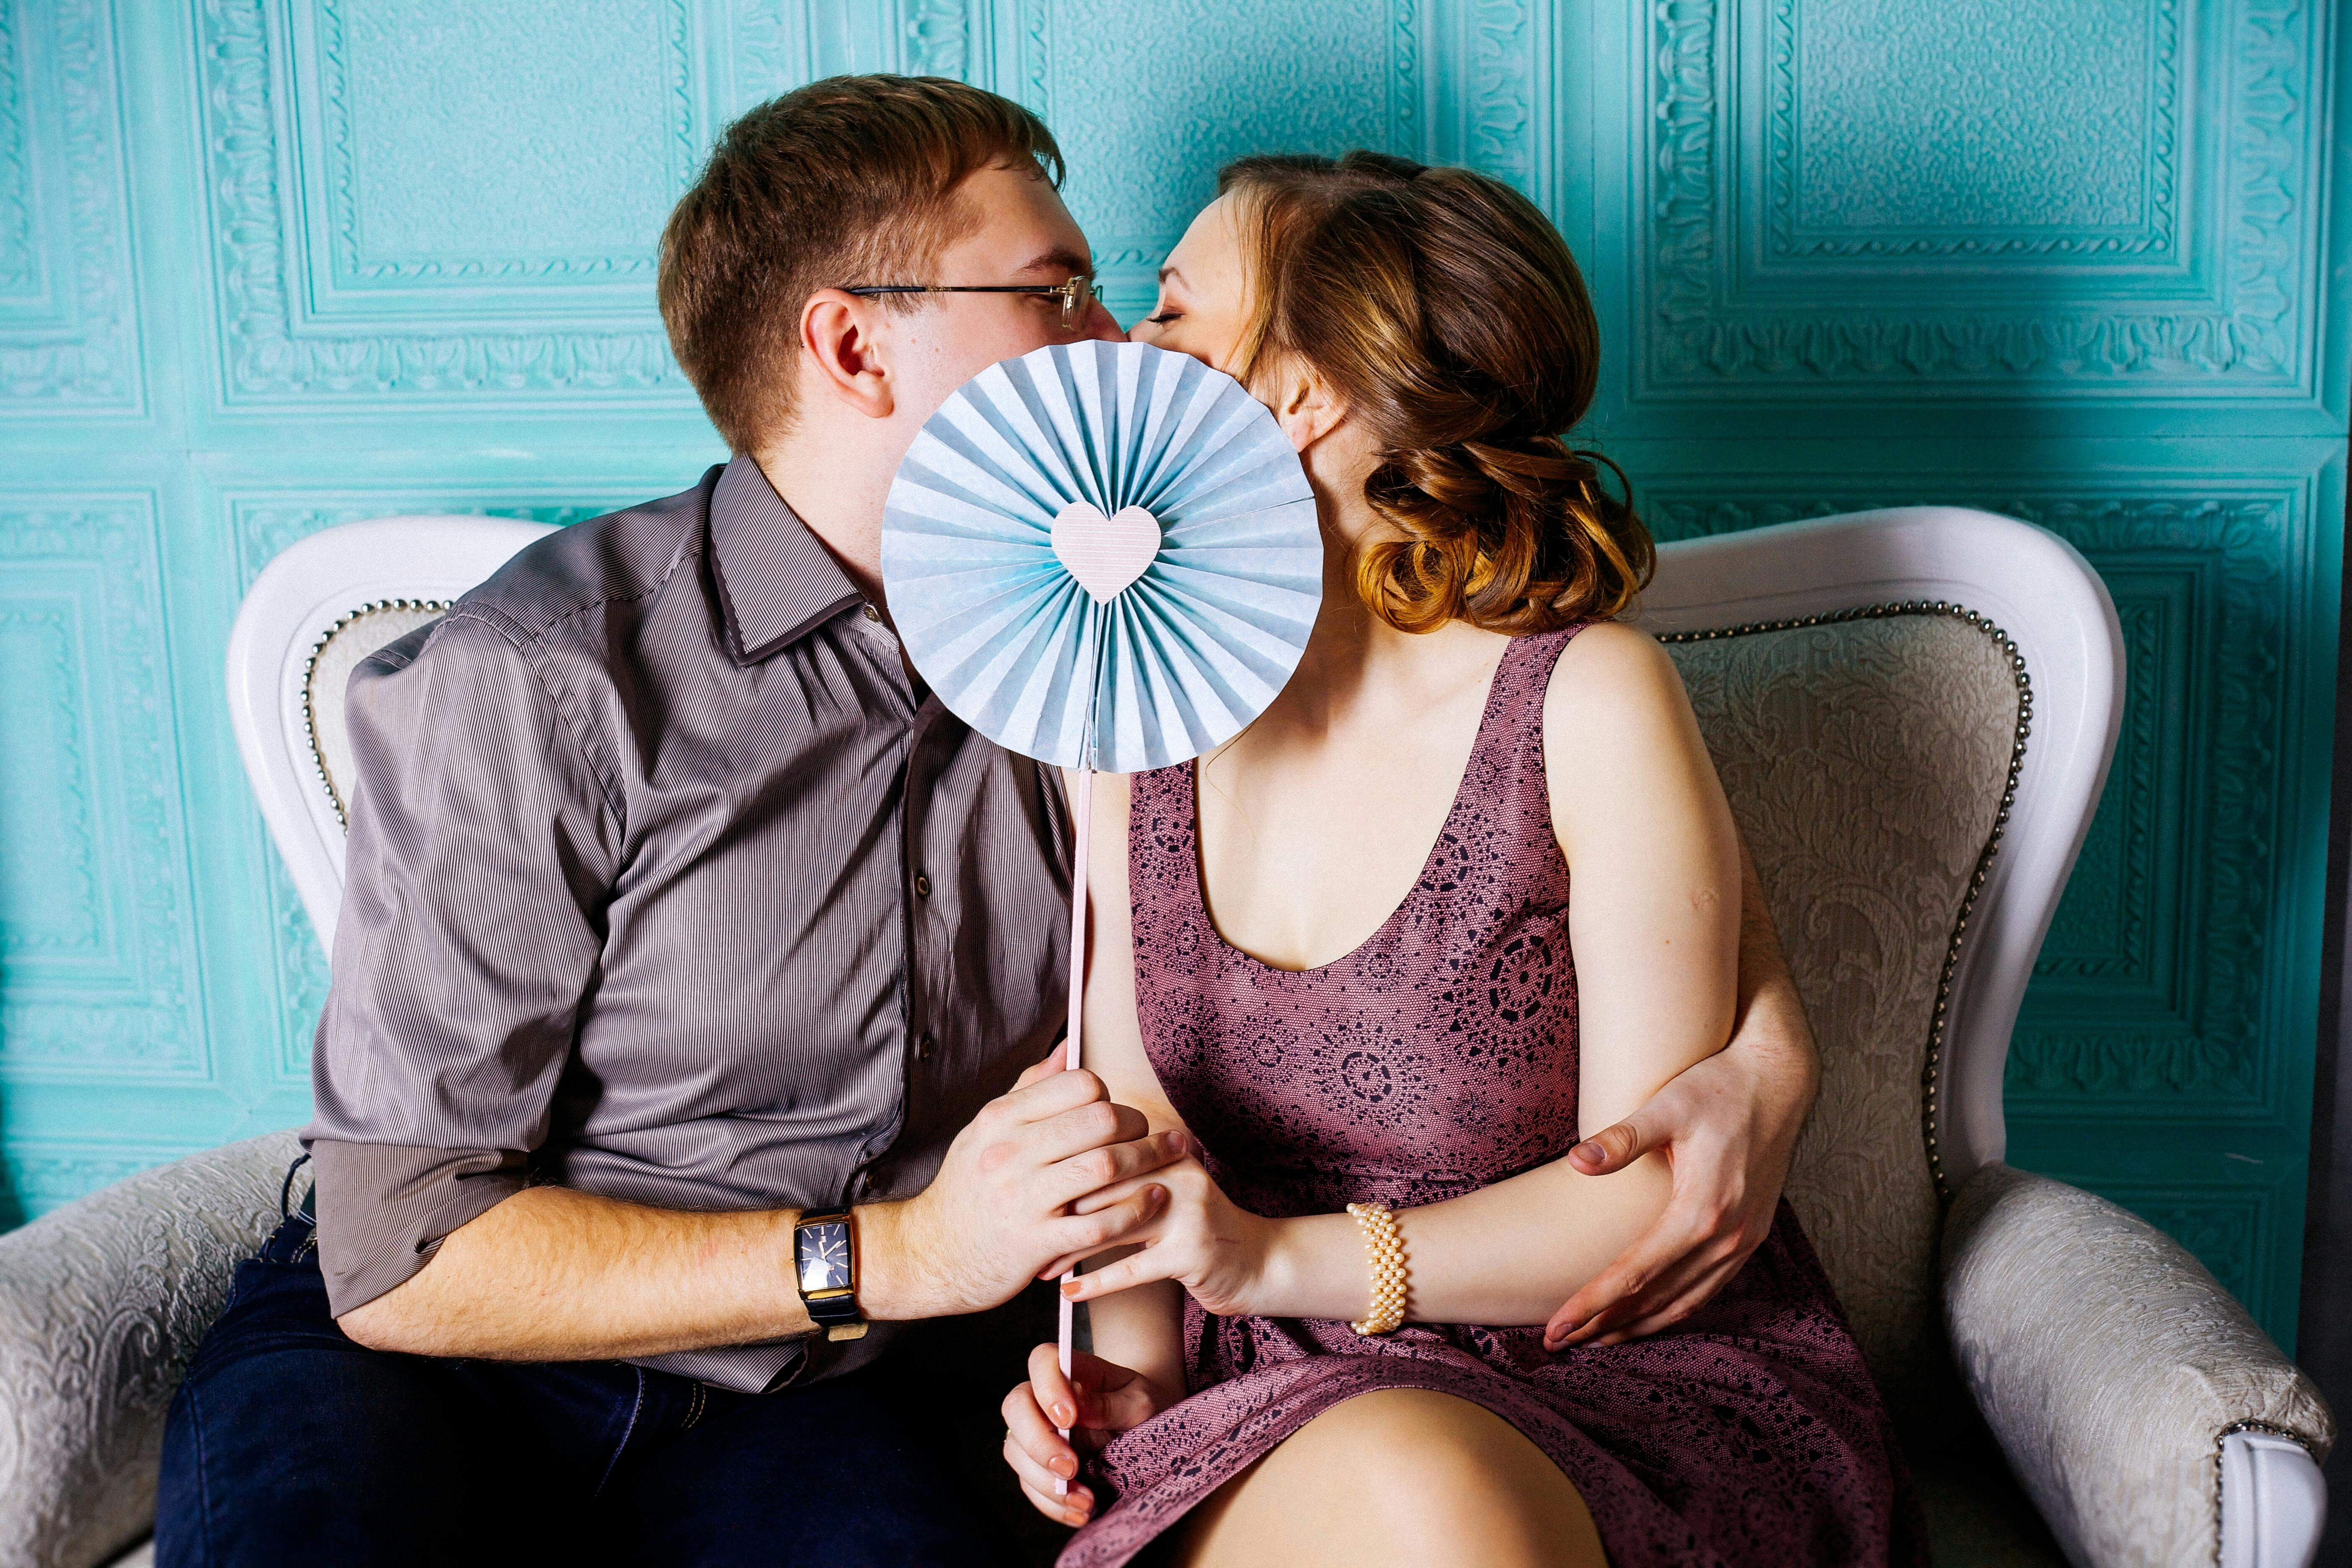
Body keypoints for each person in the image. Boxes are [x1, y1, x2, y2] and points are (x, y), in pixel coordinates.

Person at [156, 75, 1821, 1567]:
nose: (1105, 342)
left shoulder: (1125, 655)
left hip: (824, 1405)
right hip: (458, 1361)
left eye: (1133, 299)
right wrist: (900, 1257)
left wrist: (1769, 1046)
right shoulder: (544, 674)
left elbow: (1499, 838)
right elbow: (397, 1255)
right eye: (1059, 292)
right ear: (856, 346)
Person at [1001, 153, 1924, 1568]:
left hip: (1609, 1382)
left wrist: (1270, 1258)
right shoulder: (1129, 717)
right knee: (1397, 1487)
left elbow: (1646, 1190)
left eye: (1175, 314)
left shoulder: (1585, 700)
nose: (1129, 344)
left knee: (1429, 1495)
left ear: (1298, 393)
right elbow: (1137, 1134)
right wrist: (1135, 1381)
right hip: (1266, 1405)